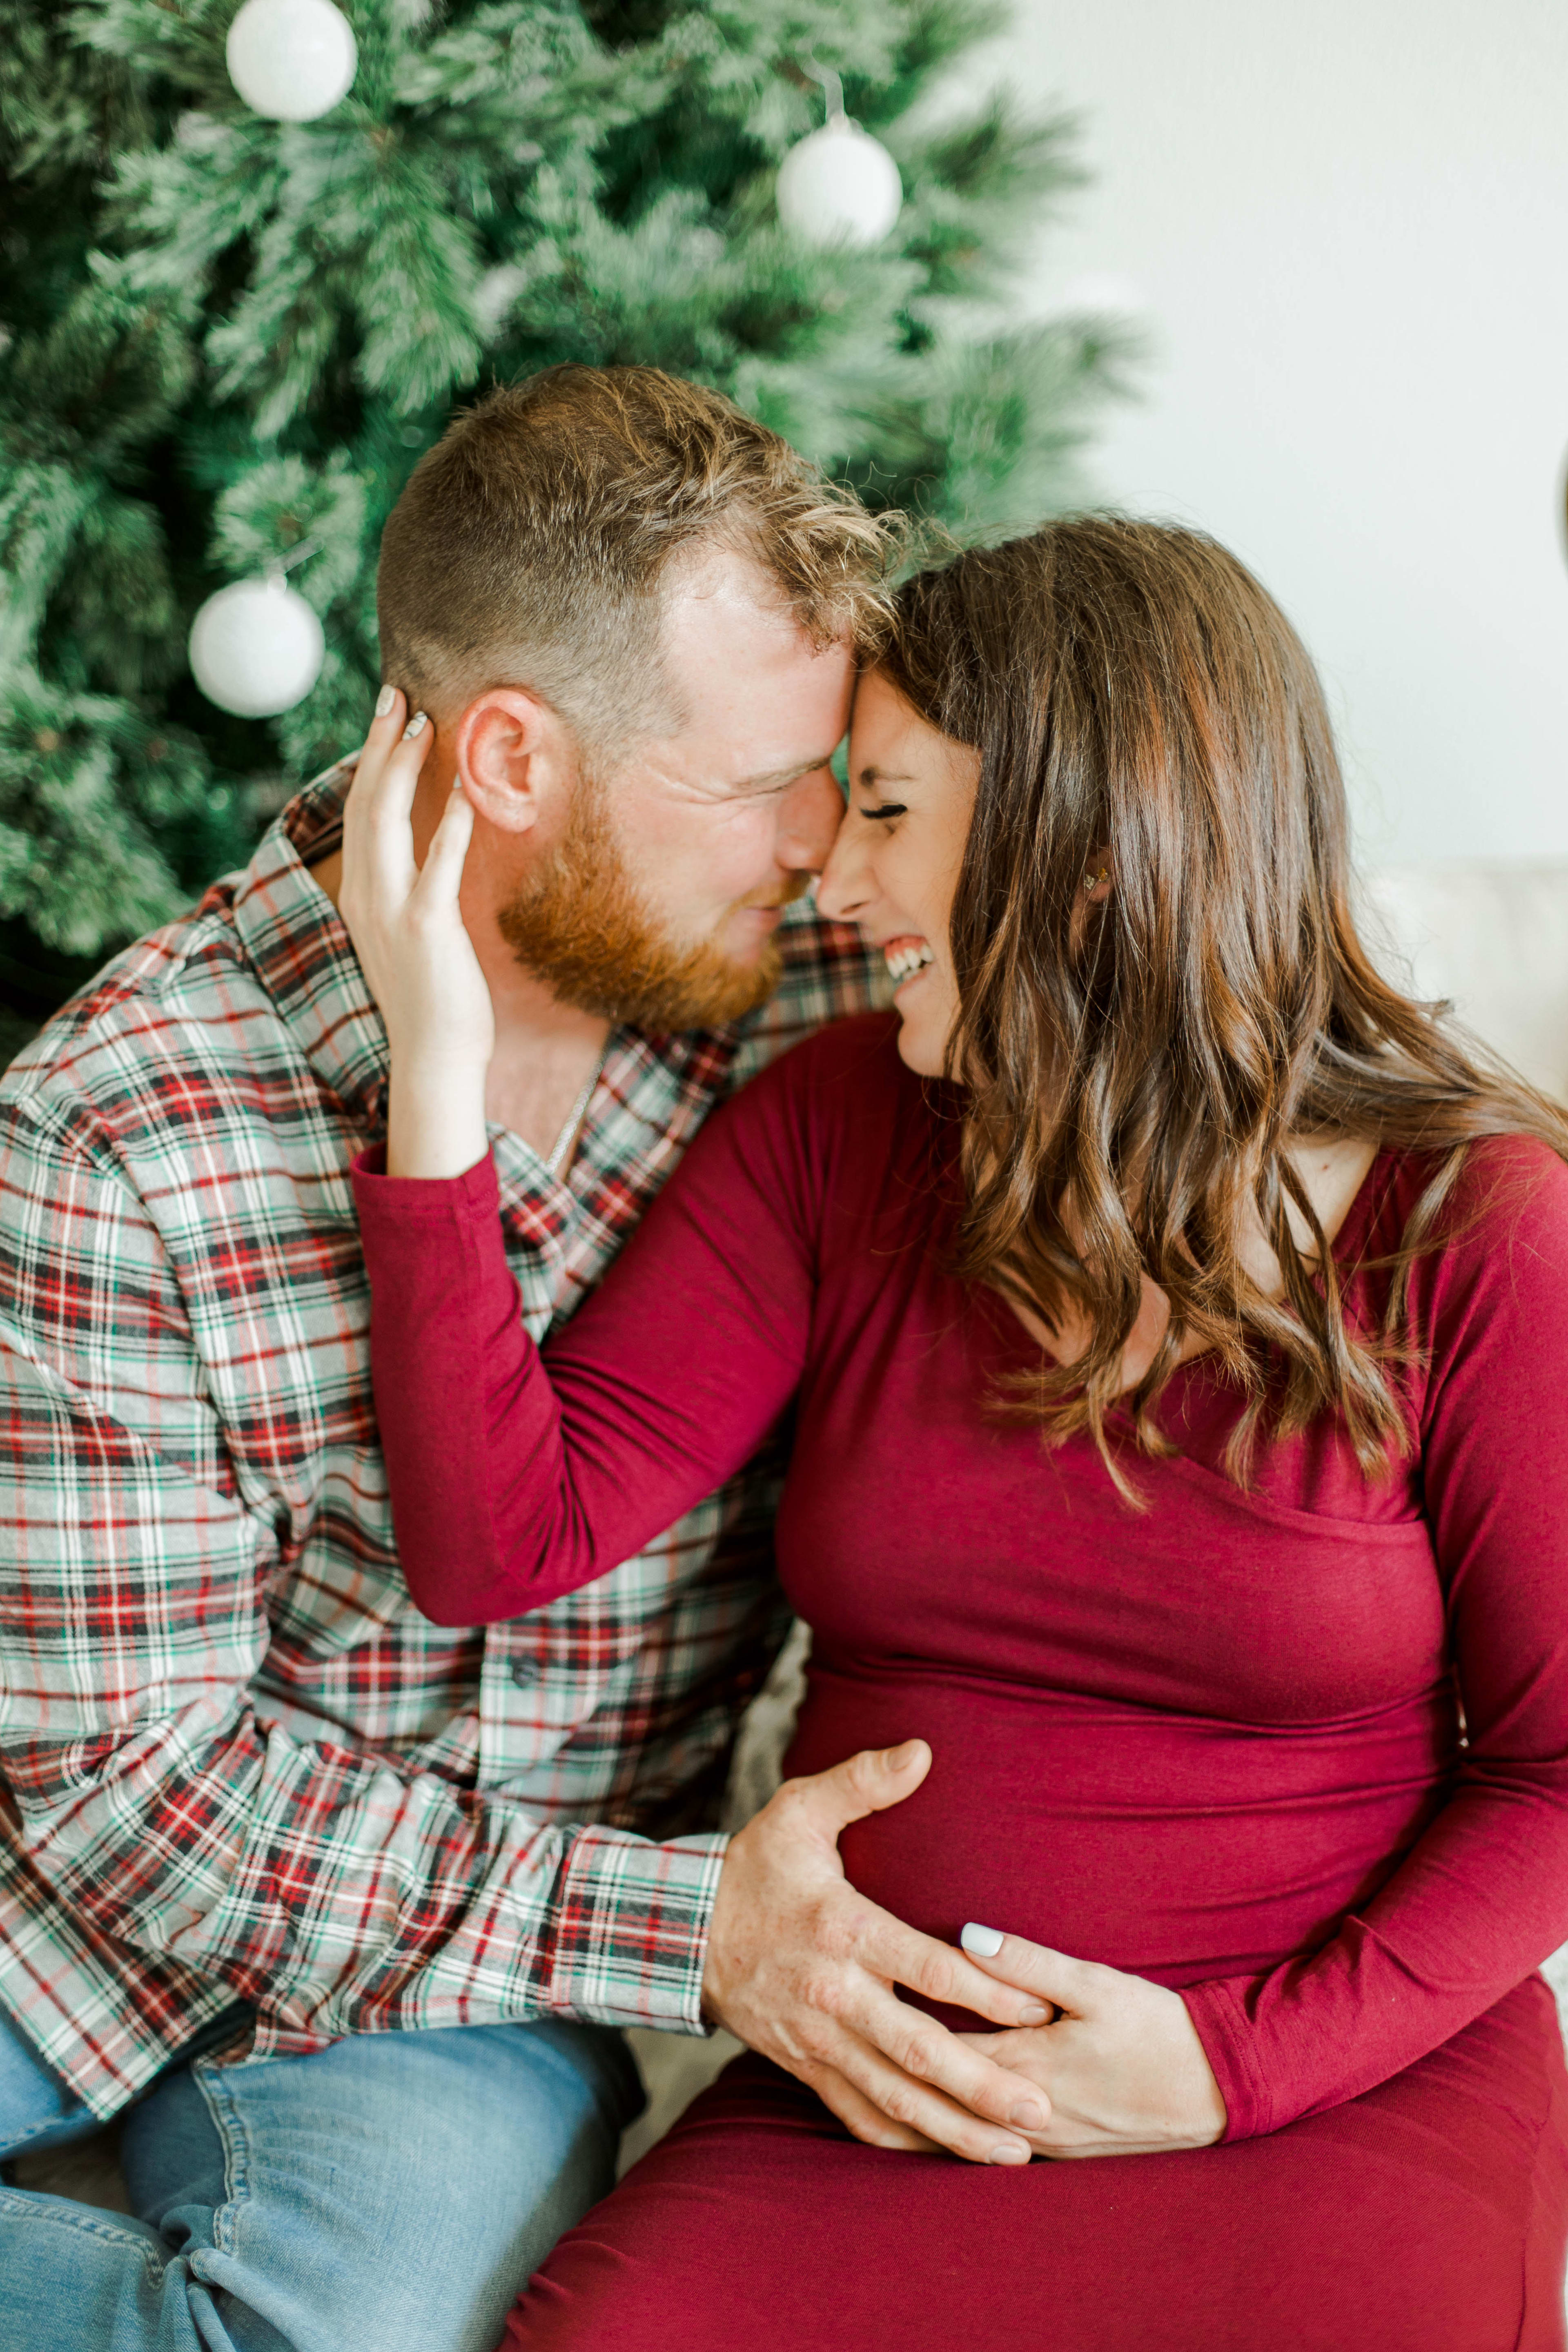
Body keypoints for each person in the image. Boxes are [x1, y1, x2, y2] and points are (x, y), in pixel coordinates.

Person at [343, 517, 1568, 2352]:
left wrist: (1231, 2068)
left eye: (893, 810)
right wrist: (431, 1073)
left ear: (1085, 859)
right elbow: (500, 1538)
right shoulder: (841, 1127)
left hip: (1335, 2090)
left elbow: (1559, 1775)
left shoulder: (1477, 1229)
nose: (832, 874)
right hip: (888, 2087)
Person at [0, 367, 1048, 2352]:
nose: (824, 844)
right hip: (78, 1898)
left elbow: (1187, 981)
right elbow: (127, 1791)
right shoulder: (120, 1126)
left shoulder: (826, 994)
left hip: (481, 1984)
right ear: (511, 760)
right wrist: (697, 1933)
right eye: (764, 785)